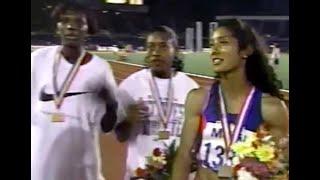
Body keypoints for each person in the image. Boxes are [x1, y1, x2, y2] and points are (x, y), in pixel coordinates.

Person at [172, 19, 289, 180]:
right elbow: (184, 155)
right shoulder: (199, 99)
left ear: (245, 50)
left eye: (223, 43)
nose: (214, 50)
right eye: (212, 44)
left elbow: (279, 168)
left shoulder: (271, 108)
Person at [31, 3, 119, 180]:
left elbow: (106, 127)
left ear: (88, 29)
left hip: (82, 167)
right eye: (65, 21)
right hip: (41, 164)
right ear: (58, 27)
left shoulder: (100, 69)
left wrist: (111, 104)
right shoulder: (38, 59)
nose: (71, 26)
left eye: (79, 22)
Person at [114, 26, 199, 179]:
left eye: (163, 46)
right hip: (140, 174)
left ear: (176, 51)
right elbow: (120, 136)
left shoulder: (191, 87)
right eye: (151, 47)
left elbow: (197, 137)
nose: (155, 52)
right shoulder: (130, 85)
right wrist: (129, 120)